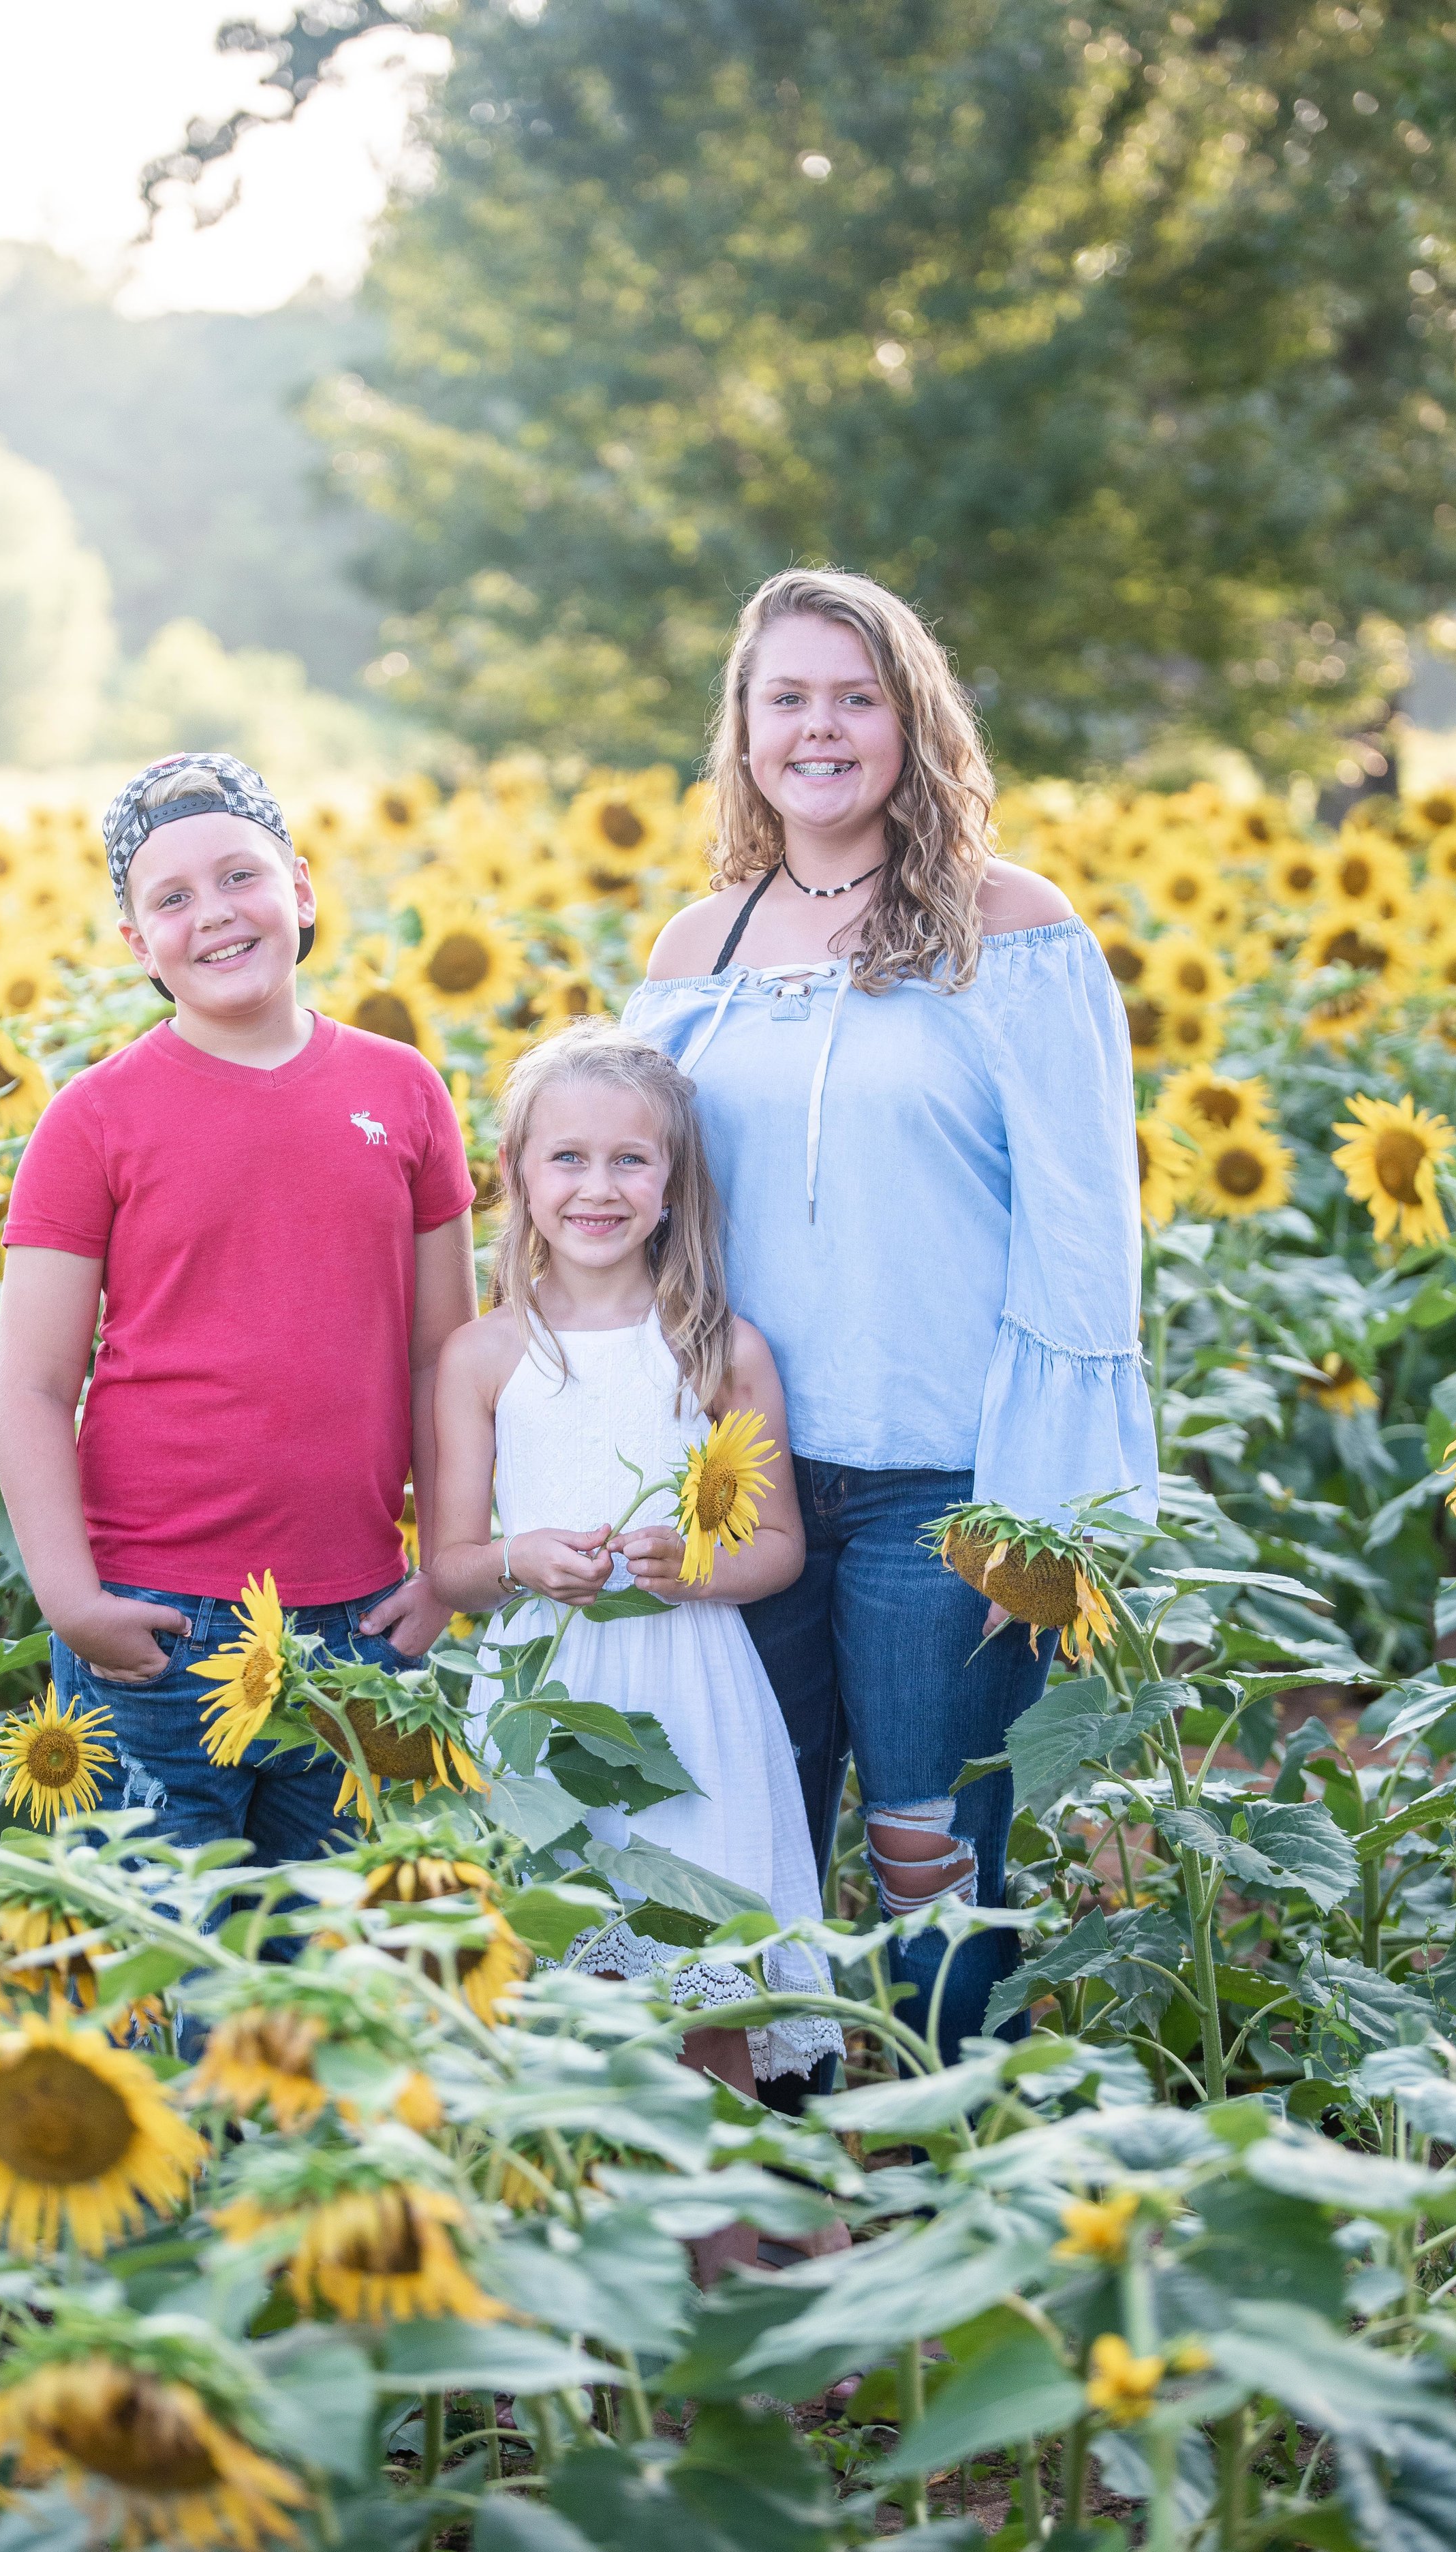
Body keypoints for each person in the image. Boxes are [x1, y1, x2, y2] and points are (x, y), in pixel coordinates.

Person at [623, 568, 1158, 2074]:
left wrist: (1043, 1515)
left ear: (911, 723)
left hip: (946, 1486)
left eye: (855, 696)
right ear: (738, 728)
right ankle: (781, 2182)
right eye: (785, 696)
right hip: (741, 1482)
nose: (819, 728)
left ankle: (941, 2173)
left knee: (931, 1858)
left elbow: (1079, 1232)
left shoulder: (1010, 927)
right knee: (752, 1848)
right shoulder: (691, 955)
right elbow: (640, 1223)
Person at [0, 750, 478, 1890]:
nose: (214, 914)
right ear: (135, 942)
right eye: (172, 898)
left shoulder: (404, 1089)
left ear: (301, 889)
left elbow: (443, 1358)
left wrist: (450, 1563)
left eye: (240, 877)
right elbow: (30, 1386)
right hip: (154, 1625)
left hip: (360, 1615)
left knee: (327, 1980)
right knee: (163, 1976)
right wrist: (71, 1598)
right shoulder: (93, 1120)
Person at [429, 1021, 844, 2270]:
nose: (597, 1189)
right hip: (547, 1703)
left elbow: (780, 1546)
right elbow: (450, 1565)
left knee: (709, 1992)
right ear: (516, 1173)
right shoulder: (487, 1354)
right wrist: (520, 1559)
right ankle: (608, 2281)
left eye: (630, 1162)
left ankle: (743, 2280)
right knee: (578, 1991)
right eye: (567, 1158)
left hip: (692, 1696)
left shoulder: (720, 1347)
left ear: (675, 1185)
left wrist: (696, 1564)